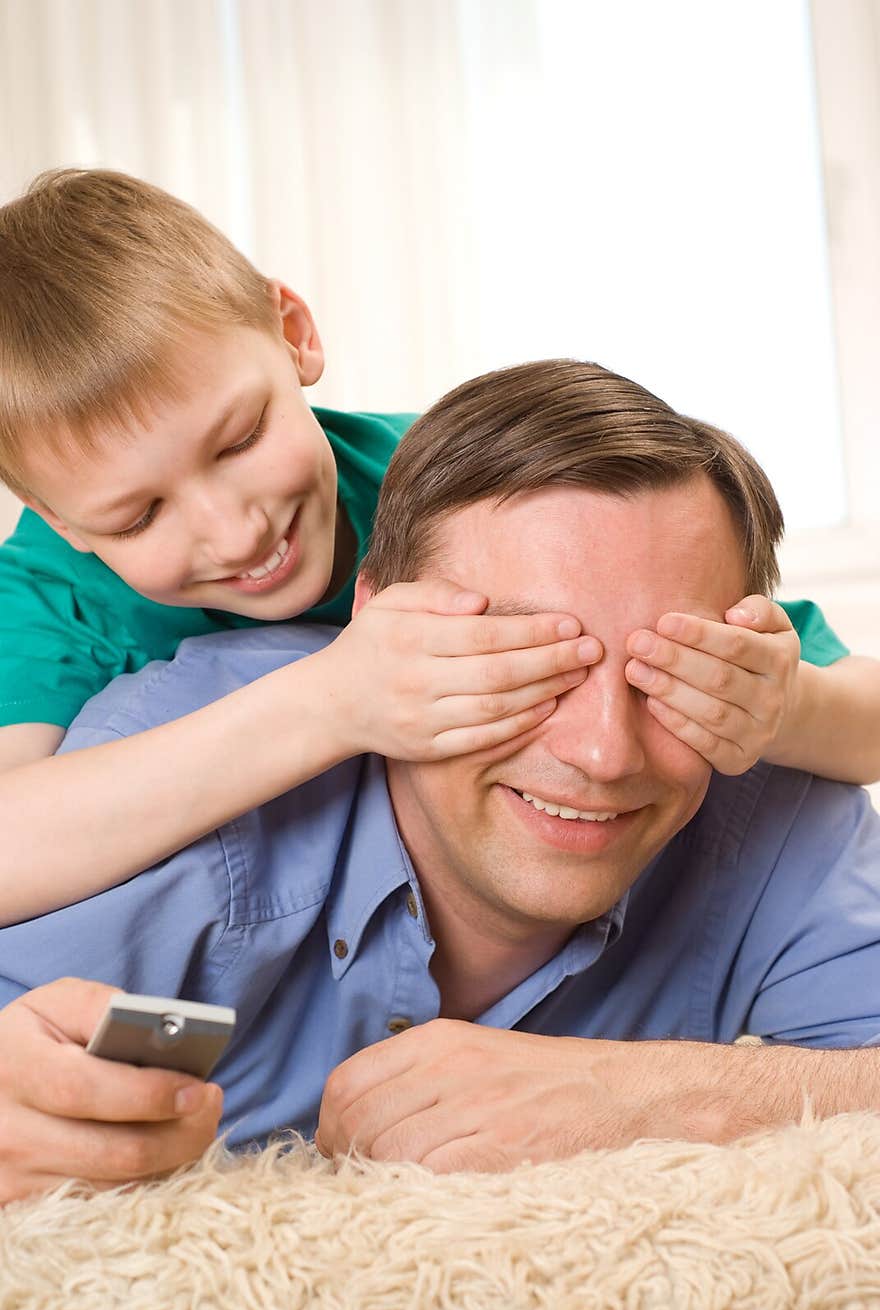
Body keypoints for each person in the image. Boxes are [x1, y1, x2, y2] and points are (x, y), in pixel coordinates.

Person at [1, 358, 879, 1206]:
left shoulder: (773, 785)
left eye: (672, 670)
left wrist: (654, 1091)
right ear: (378, 625)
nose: (605, 752)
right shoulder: (171, 770)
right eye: (526, 661)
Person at [1, 169, 879, 931]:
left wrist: (783, 705)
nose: (236, 531)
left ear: (294, 332)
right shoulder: (46, 596)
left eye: (239, 440)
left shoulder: (458, 488)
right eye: (138, 516)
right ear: (61, 520)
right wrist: (330, 702)